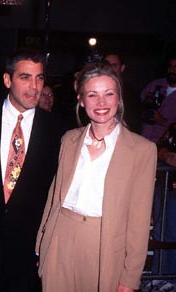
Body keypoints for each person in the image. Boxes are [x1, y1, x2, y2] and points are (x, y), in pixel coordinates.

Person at [36, 62, 157, 292]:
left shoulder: (142, 150)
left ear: (118, 99)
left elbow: (139, 220)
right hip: (60, 237)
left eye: (109, 94)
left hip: (104, 243)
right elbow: (54, 197)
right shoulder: (69, 140)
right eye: (92, 95)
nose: (101, 103)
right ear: (81, 100)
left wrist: (131, 276)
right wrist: (42, 245)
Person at [0, 48, 66, 292]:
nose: (34, 87)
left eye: (39, 78)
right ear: (7, 79)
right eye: (25, 77)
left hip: (27, 251)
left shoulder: (58, 130)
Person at [150, 121, 176, 275]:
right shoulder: (174, 127)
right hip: (165, 186)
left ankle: (169, 276)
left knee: (172, 234)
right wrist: (166, 155)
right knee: (160, 232)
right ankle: (159, 275)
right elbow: (159, 148)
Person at [103, 51, 142, 134]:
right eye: (106, 65)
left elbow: (134, 124)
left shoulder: (131, 93)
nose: (109, 69)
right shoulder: (96, 89)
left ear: (122, 68)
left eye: (113, 65)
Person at [140, 54, 176, 143]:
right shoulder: (155, 84)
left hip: (162, 146)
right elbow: (136, 106)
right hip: (141, 138)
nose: (172, 70)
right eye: (170, 66)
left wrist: (161, 120)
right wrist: (144, 106)